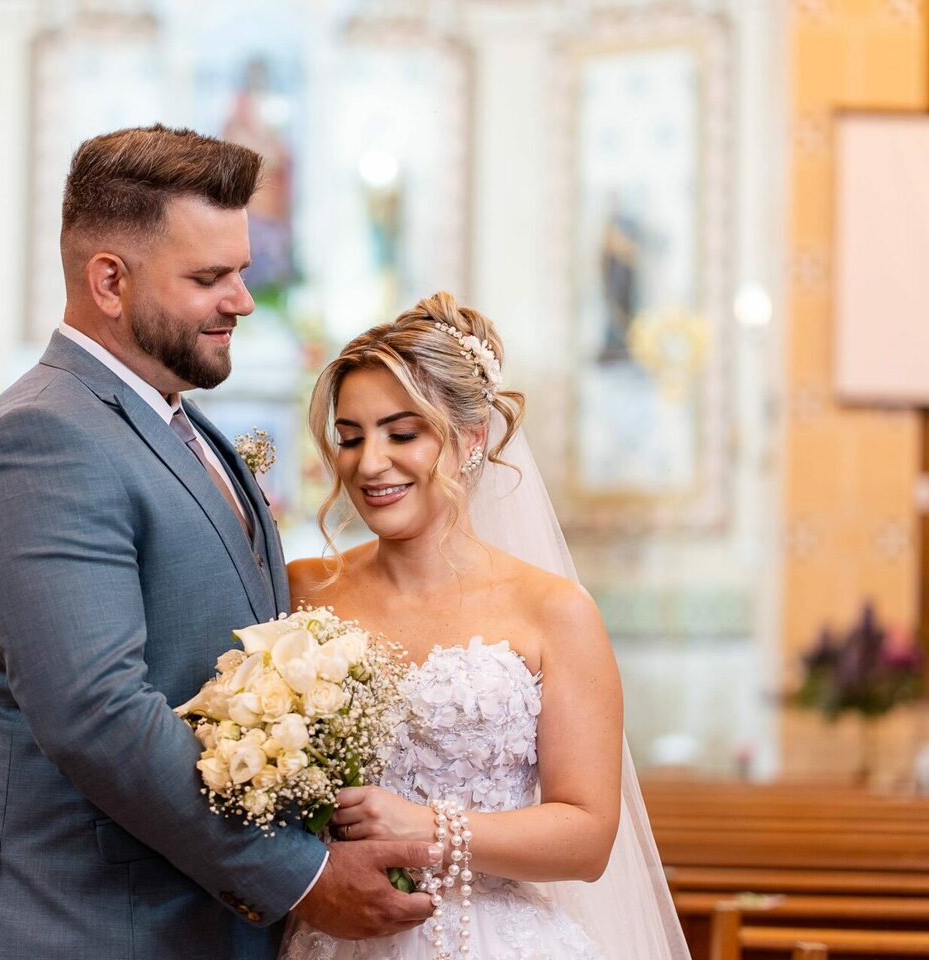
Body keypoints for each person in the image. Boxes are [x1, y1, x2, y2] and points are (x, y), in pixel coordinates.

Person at [0, 125, 436, 960]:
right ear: (110, 281)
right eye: (209, 278)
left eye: (241, 270)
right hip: (90, 928)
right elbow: (100, 717)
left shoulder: (184, 426)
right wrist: (302, 877)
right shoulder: (42, 440)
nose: (243, 300)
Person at [280, 292, 690, 959]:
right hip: (338, 933)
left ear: (470, 439)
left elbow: (588, 839)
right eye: (350, 437)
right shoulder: (303, 591)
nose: (368, 462)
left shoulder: (554, 611)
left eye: (401, 434)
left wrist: (427, 826)